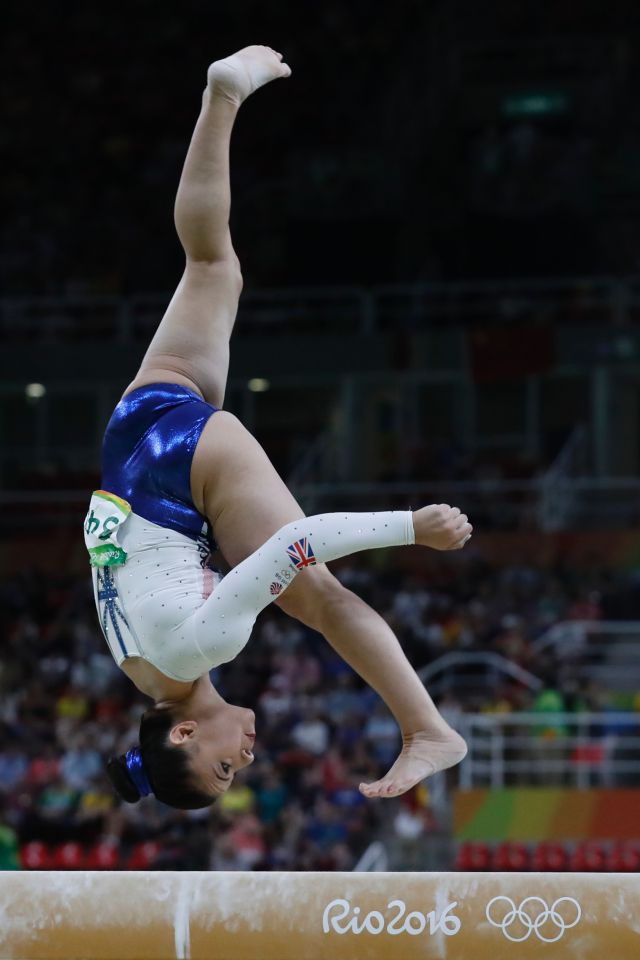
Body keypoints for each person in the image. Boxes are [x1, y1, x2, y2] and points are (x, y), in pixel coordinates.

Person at [84, 46, 472, 810]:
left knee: (318, 594)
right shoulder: (137, 665)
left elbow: (299, 542)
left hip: (178, 472)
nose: (247, 758)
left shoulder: (204, 649)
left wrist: (411, 528)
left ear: (185, 735)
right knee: (210, 264)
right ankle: (221, 98)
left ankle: (425, 727)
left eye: (227, 768)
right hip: (132, 441)